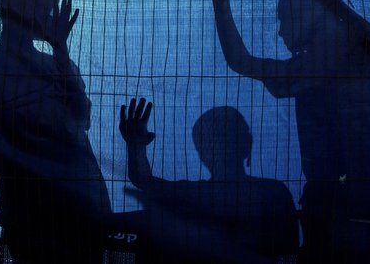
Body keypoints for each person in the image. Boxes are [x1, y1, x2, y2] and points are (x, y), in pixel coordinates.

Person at [207, 0, 370, 263]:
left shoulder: (325, 60)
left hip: (346, 192)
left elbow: (240, 61)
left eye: (284, 20)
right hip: (369, 185)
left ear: (305, 14)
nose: (281, 31)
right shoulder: (349, 49)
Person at [0, 0, 111, 264]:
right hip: (26, 208)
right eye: (47, 9)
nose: (54, 17)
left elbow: (82, 119)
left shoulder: (58, 63)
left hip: (81, 204)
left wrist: (61, 51)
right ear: (23, 10)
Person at [119, 97, 299, 263]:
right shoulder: (272, 192)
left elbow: (143, 181)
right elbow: (143, 180)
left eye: (226, 136)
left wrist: (136, 146)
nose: (220, 146)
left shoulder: (272, 193)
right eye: (210, 141)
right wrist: (136, 146)